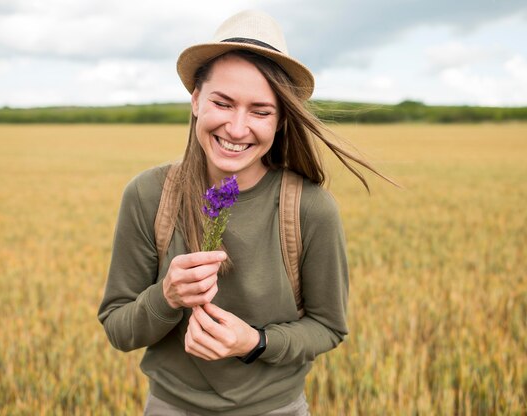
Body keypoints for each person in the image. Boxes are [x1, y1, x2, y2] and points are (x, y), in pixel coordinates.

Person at [98, 10, 388, 416]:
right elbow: (118, 328)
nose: (237, 128)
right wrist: (167, 296)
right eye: (223, 102)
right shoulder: (149, 194)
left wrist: (254, 342)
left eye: (260, 110)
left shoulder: (310, 208)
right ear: (196, 100)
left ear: (282, 119)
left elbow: (328, 328)